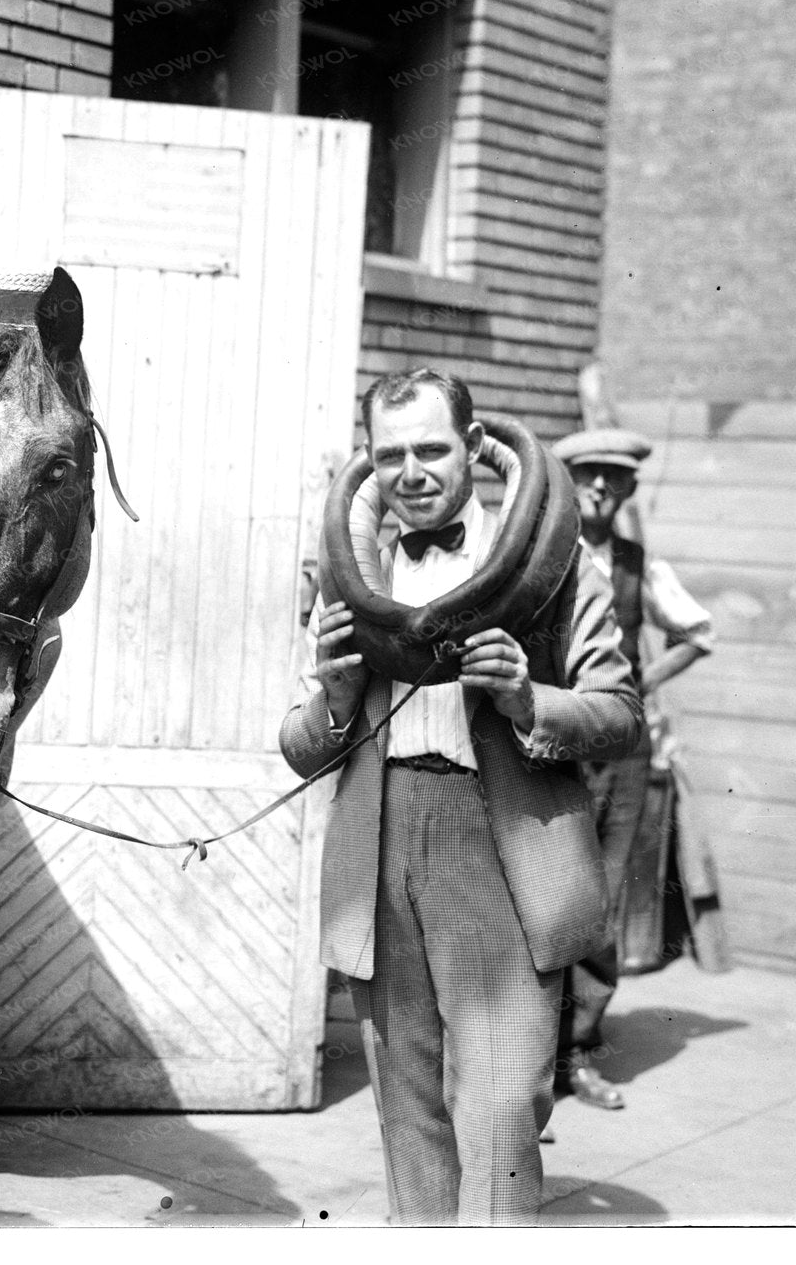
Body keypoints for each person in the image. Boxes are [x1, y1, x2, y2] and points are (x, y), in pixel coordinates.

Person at [281, 369, 643, 1225]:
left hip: (503, 852)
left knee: (502, 1102)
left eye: (432, 449)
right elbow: (300, 747)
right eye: (391, 453)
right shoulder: (349, 579)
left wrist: (529, 701)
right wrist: (333, 700)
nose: (411, 471)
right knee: (408, 1108)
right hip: (382, 848)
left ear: (476, 449)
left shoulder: (556, 566)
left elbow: (622, 715)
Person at [546, 427, 716, 1113]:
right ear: (570, 482)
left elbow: (698, 634)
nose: (599, 489)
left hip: (619, 753)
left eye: (613, 480)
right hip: (551, 744)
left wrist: (640, 686)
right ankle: (525, 1055)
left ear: (627, 491)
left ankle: (579, 1054)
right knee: (541, 893)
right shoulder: (546, 559)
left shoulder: (638, 565)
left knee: (601, 900)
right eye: (588, 475)